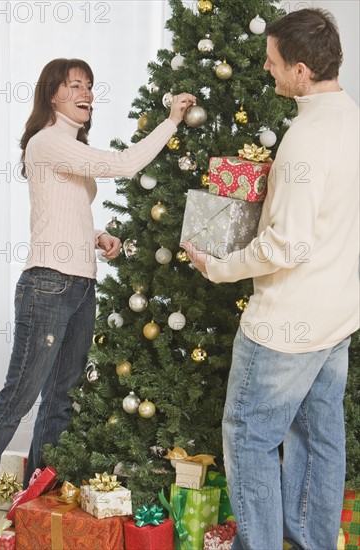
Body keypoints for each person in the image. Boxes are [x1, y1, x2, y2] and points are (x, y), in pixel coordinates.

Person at [0, 57, 195, 544]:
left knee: (60, 403)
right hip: (48, 284)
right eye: (76, 85)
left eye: (90, 86)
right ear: (52, 93)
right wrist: (171, 121)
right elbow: (122, 165)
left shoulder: (70, 147)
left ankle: (37, 506)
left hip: (79, 284)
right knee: (16, 400)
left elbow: (62, 211)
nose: (86, 92)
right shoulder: (47, 141)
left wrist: (95, 235)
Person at [182, 8, 359, 550]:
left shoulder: (305, 137)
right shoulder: (351, 118)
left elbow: (288, 244)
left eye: (274, 61)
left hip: (286, 326)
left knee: (249, 440)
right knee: (319, 440)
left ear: (302, 70)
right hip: (336, 318)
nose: (266, 68)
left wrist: (220, 267)